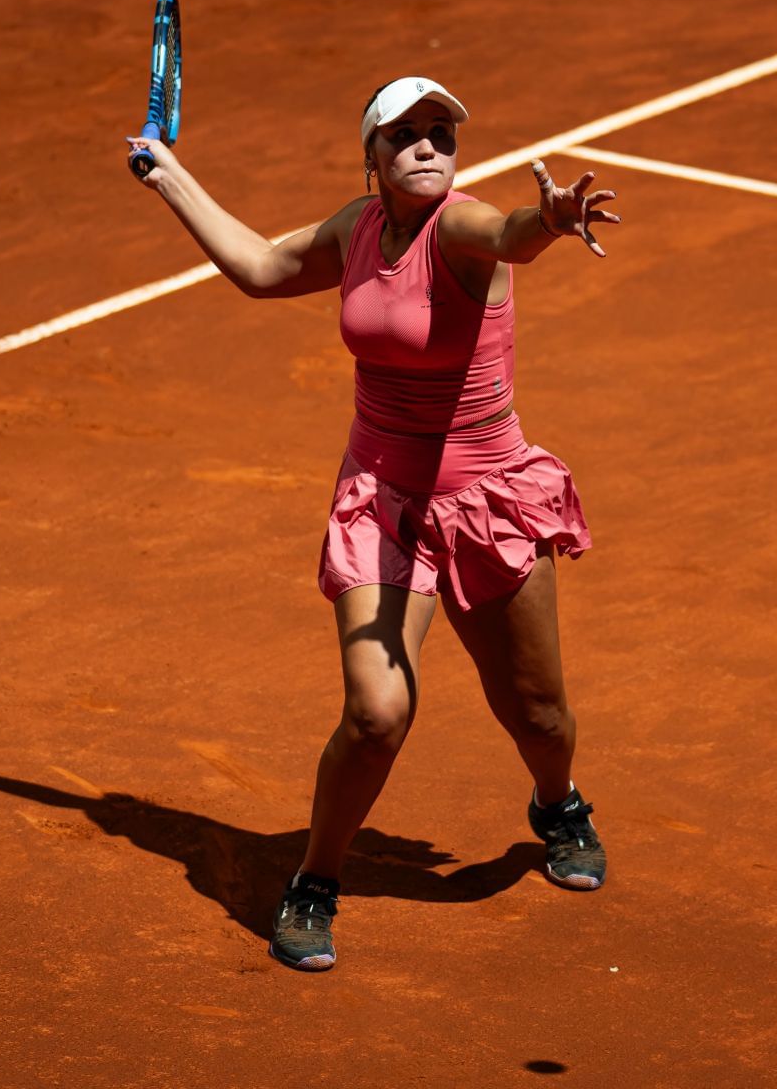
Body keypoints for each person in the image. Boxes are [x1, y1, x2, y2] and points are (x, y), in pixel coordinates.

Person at [126, 76, 621, 972]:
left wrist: (546, 219)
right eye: (408, 136)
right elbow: (261, 269)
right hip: (383, 502)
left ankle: (558, 804)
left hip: (487, 500)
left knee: (538, 713)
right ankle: (315, 880)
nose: (430, 147)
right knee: (376, 711)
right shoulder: (356, 229)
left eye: (443, 133)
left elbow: (511, 231)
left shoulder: (466, 232)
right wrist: (170, 176)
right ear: (373, 159)